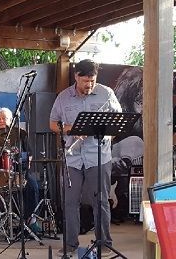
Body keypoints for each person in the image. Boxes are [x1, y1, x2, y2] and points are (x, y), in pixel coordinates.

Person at [49, 59, 122, 255]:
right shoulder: (64, 97)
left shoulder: (107, 94)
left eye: (92, 81)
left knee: (101, 201)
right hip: (72, 157)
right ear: (76, 76)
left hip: (99, 155)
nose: (89, 85)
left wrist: (106, 133)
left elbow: (118, 120)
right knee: (70, 202)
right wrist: (70, 129)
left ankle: (104, 243)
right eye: (85, 81)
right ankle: (70, 244)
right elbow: (52, 123)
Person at [0, 108, 39, 227]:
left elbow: (29, 155)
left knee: (32, 186)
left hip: (17, 171)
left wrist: (25, 167)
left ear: (11, 120)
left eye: (4, 118)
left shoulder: (20, 134)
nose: (1, 121)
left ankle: (30, 220)